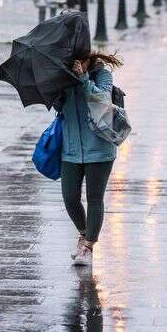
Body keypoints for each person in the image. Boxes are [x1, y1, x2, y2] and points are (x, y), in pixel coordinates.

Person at [56, 51, 123, 266]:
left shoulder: (101, 74)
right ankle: (85, 234)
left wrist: (84, 78)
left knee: (95, 198)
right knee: (70, 198)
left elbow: (102, 99)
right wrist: (57, 91)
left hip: (100, 148)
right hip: (71, 149)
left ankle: (88, 247)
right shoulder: (63, 75)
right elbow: (60, 109)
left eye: (80, 60)